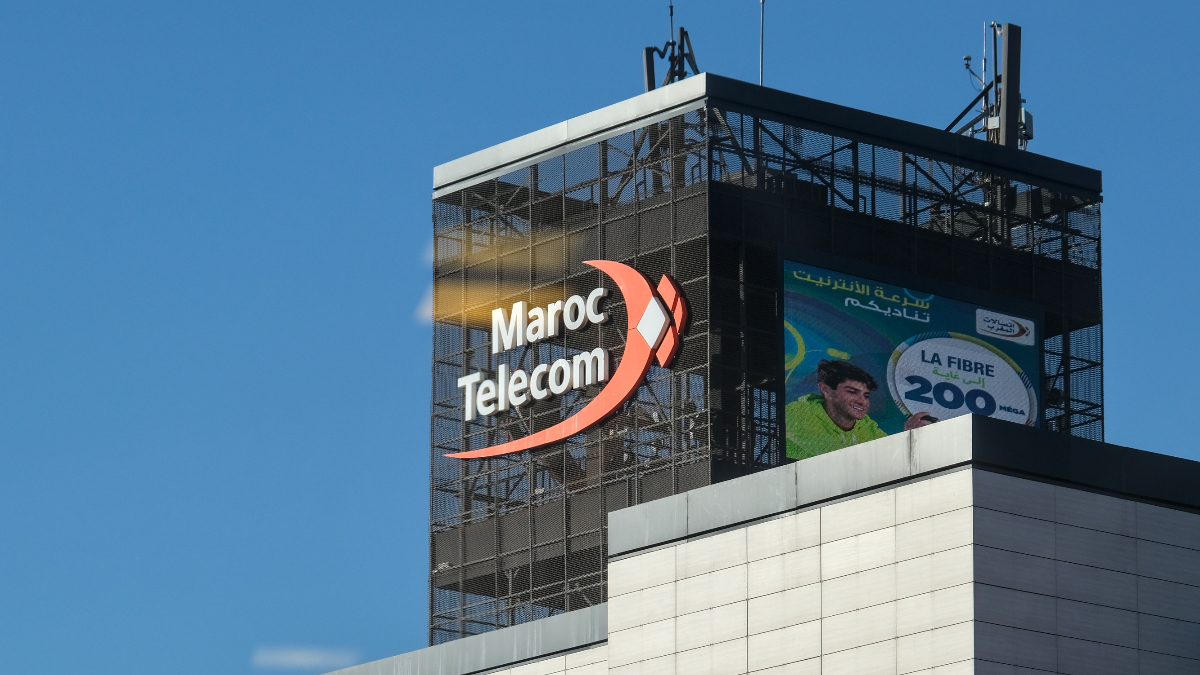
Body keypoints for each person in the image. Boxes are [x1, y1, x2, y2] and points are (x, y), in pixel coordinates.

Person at [785, 359, 932, 460]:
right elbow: (834, 458)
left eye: (866, 395)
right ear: (826, 390)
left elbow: (892, 461)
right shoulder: (795, 414)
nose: (863, 402)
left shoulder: (866, 426)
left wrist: (909, 439)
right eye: (851, 392)